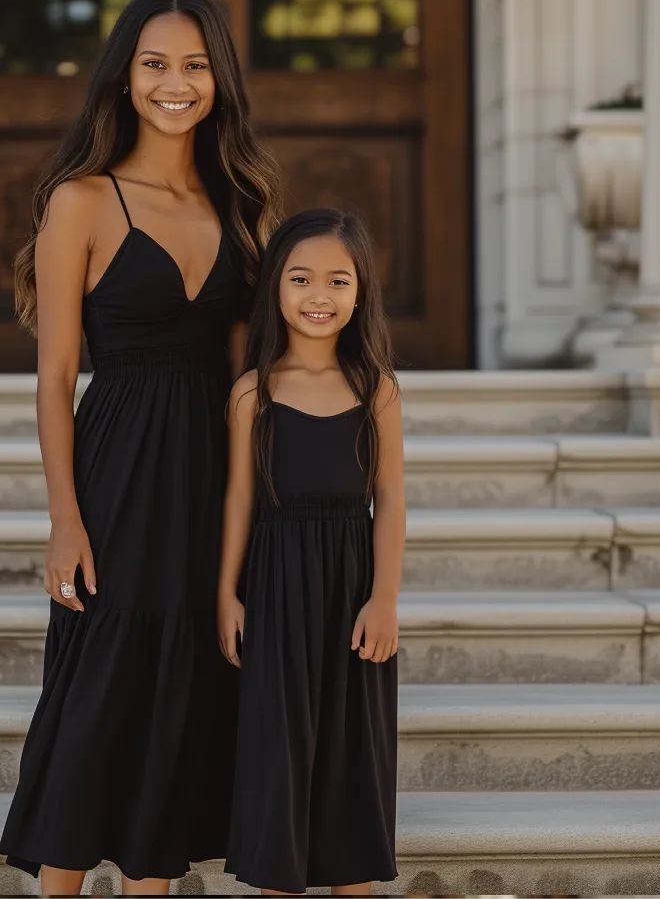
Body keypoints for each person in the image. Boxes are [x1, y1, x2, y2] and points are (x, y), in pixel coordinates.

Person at [0, 0, 281, 895]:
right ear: (124, 78)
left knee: (184, 690)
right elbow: (52, 380)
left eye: (195, 65)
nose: (175, 82)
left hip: (211, 472)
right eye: (155, 64)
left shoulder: (241, 203)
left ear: (219, 80)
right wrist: (63, 520)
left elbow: (251, 378)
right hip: (117, 468)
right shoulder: (81, 201)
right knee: (102, 693)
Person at [217, 208, 404, 895]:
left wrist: (384, 599)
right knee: (281, 755)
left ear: (361, 294)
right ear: (275, 288)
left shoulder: (377, 390)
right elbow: (238, 499)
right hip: (274, 588)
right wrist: (226, 594)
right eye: (300, 279)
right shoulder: (252, 393)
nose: (318, 296)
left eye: (336, 281)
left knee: (353, 753)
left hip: (352, 588)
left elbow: (391, 501)